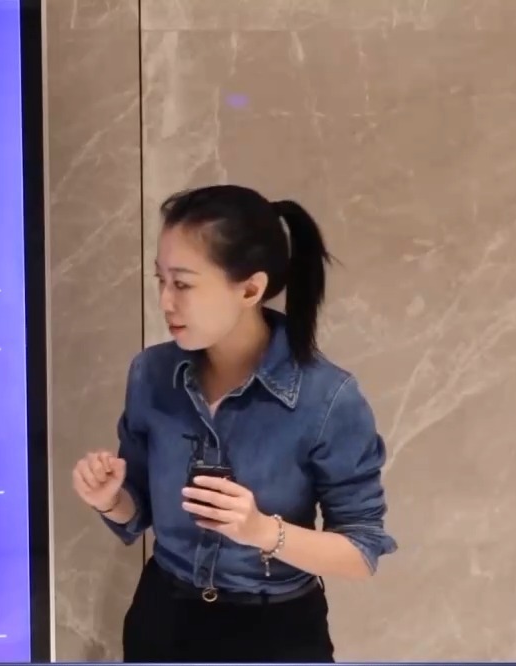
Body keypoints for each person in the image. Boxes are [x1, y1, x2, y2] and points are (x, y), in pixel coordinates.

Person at [71, 185, 397, 663]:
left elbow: (361, 551)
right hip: (163, 620)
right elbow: (137, 512)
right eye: (160, 280)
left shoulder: (327, 397)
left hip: (276, 634)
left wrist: (262, 530)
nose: (165, 301)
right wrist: (110, 498)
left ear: (249, 289)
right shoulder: (151, 374)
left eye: (183, 284)